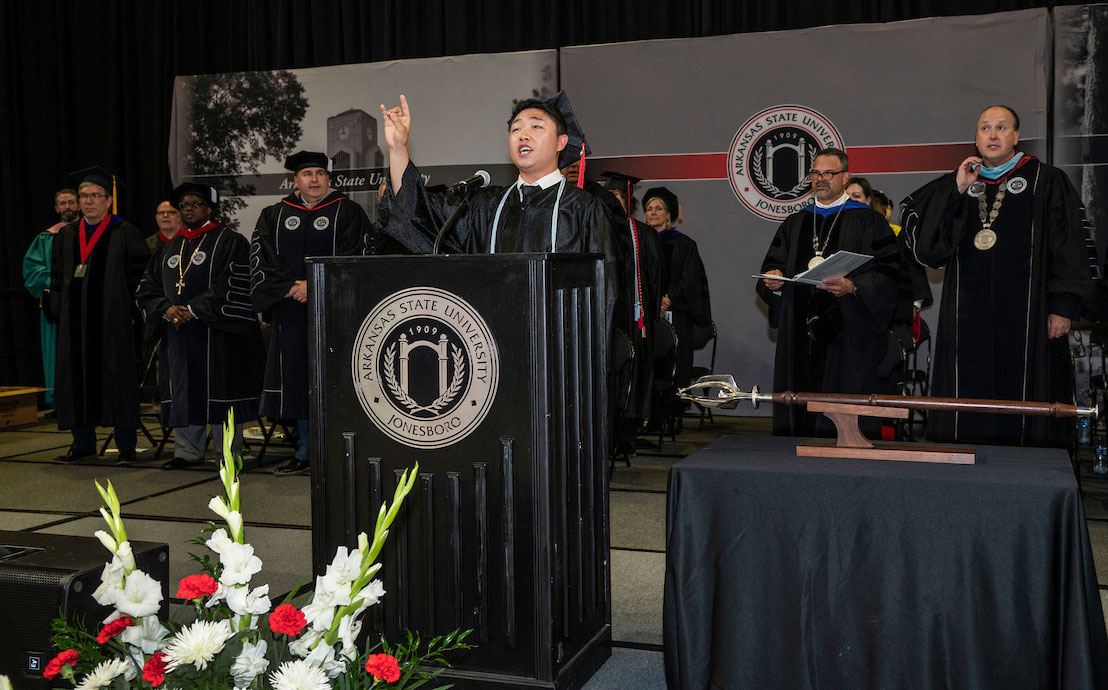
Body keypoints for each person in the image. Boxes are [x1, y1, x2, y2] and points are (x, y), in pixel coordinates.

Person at [902, 105, 1100, 446]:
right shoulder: (960, 182)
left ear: (1016, 137)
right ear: (976, 139)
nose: (992, 135)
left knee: (1027, 399)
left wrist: (1063, 305)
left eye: (1001, 128)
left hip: (1030, 316)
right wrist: (957, 190)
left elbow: (1070, 246)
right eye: (985, 128)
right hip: (968, 318)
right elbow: (930, 250)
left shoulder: (1047, 180)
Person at [377, 92, 619, 324]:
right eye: (516, 129)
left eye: (536, 127)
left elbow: (606, 295)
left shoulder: (586, 209)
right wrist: (398, 148)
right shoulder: (486, 206)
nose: (523, 134)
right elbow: (419, 213)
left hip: (561, 353)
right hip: (492, 349)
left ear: (561, 142)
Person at [757, 148, 901, 437]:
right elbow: (773, 264)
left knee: (843, 396)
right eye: (815, 173)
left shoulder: (869, 221)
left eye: (828, 173)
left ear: (845, 177)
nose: (820, 179)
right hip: (799, 330)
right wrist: (772, 281)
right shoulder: (795, 222)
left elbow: (890, 272)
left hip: (848, 332)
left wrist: (854, 286)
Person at [250, 151, 369, 475]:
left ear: (329, 178)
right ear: (295, 180)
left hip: (335, 313)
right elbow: (262, 258)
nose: (314, 179)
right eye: (307, 174)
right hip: (290, 313)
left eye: (319, 173)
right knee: (298, 380)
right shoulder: (274, 215)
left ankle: (341, 453)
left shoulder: (348, 212)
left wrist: (314, 285)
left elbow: (356, 259)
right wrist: (291, 287)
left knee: (335, 379)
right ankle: (305, 451)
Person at [137, 183, 263, 469]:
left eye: (196, 204)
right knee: (183, 389)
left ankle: (227, 454)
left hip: (219, 332)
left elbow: (231, 284)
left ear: (209, 208)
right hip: (179, 333)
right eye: (184, 205)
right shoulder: (168, 247)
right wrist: (167, 310)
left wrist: (193, 310)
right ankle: (186, 452)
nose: (189, 209)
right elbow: (148, 287)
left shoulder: (230, 242)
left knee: (222, 393)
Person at [48, 167, 149, 462]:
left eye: (95, 196)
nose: (88, 201)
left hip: (113, 325)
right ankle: (82, 443)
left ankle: (126, 445)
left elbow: (140, 279)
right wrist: (61, 314)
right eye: (83, 196)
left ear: (108, 200)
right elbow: (55, 281)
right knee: (74, 378)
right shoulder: (66, 236)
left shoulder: (126, 232)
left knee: (118, 380)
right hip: (74, 327)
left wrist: (131, 318)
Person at [643, 186, 711, 413]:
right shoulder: (640, 245)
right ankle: (648, 414)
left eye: (659, 208)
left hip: (676, 314)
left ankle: (673, 412)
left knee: (675, 360)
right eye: (649, 208)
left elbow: (691, 278)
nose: (653, 212)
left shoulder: (684, 244)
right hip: (646, 315)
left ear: (669, 214)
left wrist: (669, 298)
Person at [23, 189, 79, 410]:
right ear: (56, 208)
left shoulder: (93, 234)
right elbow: (32, 272)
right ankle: (60, 401)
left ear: (79, 205)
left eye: (71, 202)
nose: (67, 207)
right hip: (56, 306)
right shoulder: (46, 238)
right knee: (56, 353)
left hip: (86, 303)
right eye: (62, 204)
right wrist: (59, 283)